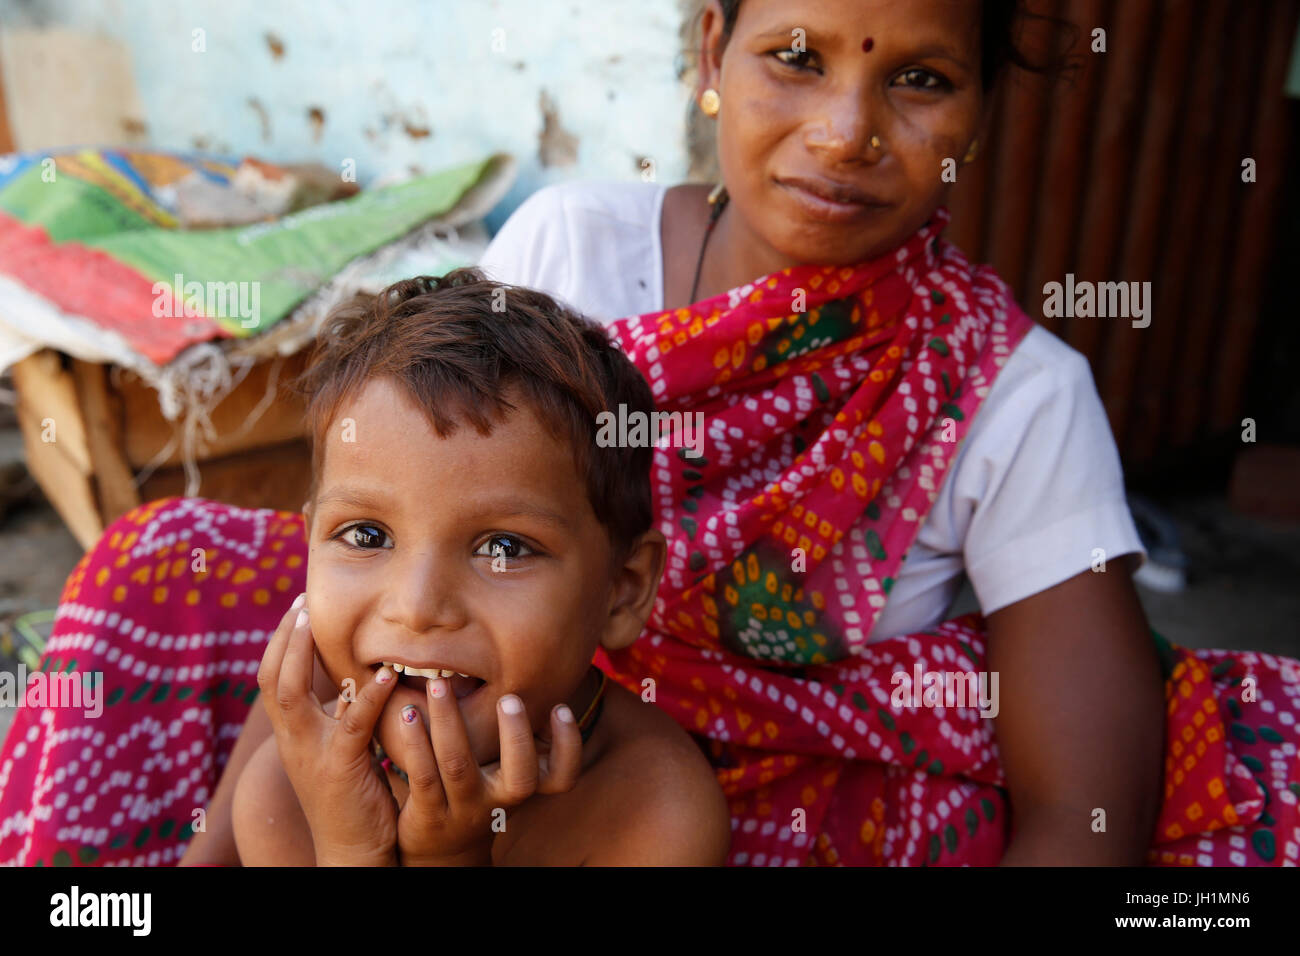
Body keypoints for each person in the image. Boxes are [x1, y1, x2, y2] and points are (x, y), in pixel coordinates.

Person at [0, 0, 1295, 867]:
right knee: (168, 564)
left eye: (918, 81)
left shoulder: (1014, 392)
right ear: (711, 54)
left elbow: (1087, 804)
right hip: (487, 681)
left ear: (976, 116)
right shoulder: (572, 247)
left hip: (744, 796)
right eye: (796, 56)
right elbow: (411, 495)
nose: (846, 133)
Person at [228, 272, 730, 864]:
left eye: (506, 548)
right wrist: (350, 845)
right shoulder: (287, 794)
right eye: (367, 535)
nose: (416, 606)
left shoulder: (654, 815)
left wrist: (450, 857)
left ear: (622, 593)